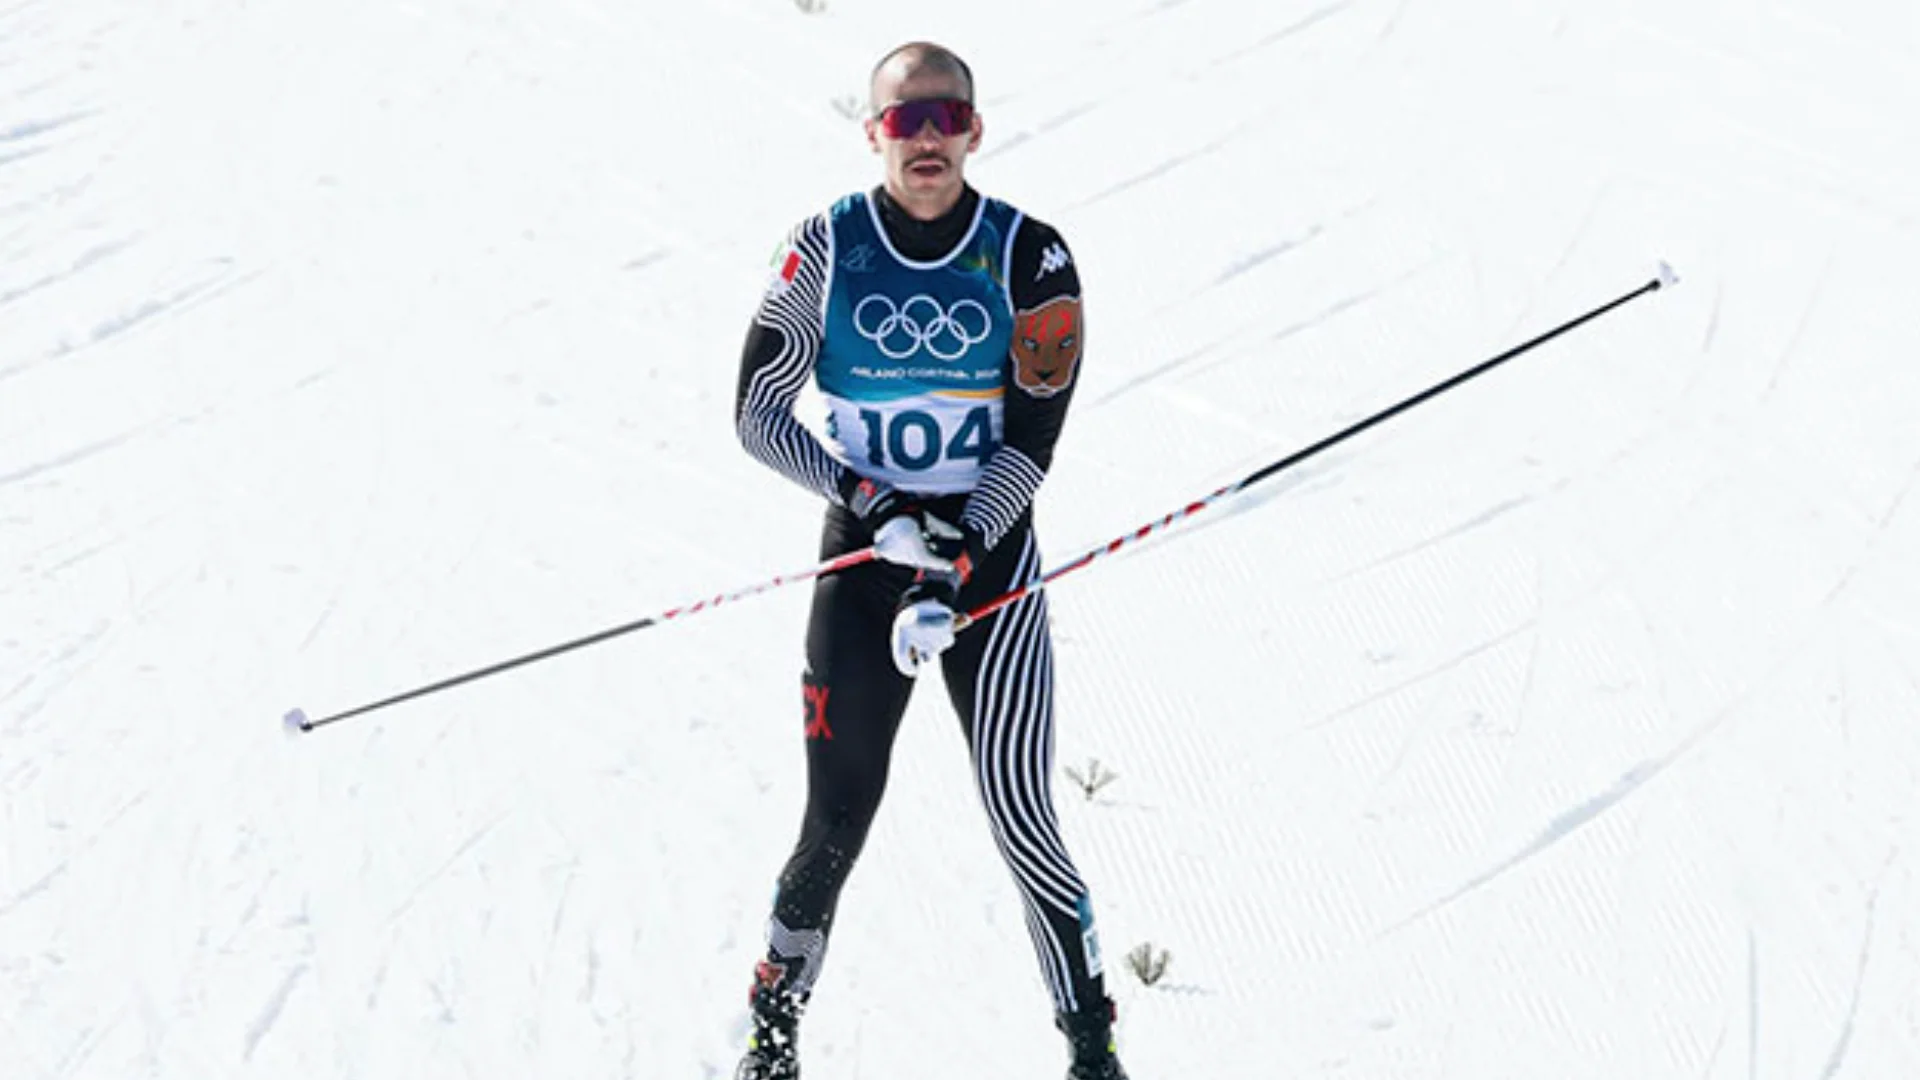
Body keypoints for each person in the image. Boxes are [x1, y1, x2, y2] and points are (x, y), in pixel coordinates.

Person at [730, 40, 1129, 1080]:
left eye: (944, 117)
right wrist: (868, 504)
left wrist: (954, 554)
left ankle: (1092, 1044)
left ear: (975, 131)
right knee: (835, 819)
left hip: (988, 562)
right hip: (864, 567)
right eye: (904, 121)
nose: (926, 138)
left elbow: (1030, 441)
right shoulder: (824, 249)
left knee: (1020, 809)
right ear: (872, 134)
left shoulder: (1029, 256)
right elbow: (757, 413)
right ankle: (772, 1039)